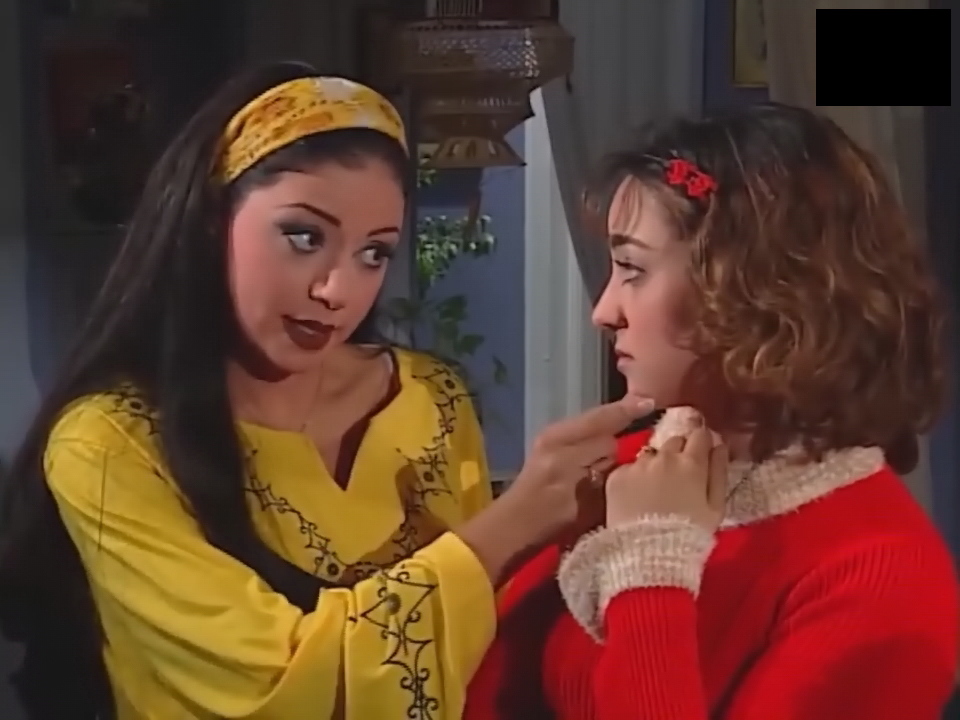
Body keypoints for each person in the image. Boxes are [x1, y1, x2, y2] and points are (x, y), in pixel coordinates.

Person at [0, 61, 653, 720]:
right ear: (210, 219)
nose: (337, 290)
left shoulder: (429, 398)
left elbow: (479, 651)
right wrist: (513, 522)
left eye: (374, 253)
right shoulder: (110, 443)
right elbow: (276, 688)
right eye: (304, 236)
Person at [465, 103, 959, 720]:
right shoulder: (627, 472)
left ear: (756, 287)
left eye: (632, 269)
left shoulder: (883, 577)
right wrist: (516, 525)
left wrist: (651, 569)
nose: (603, 311)